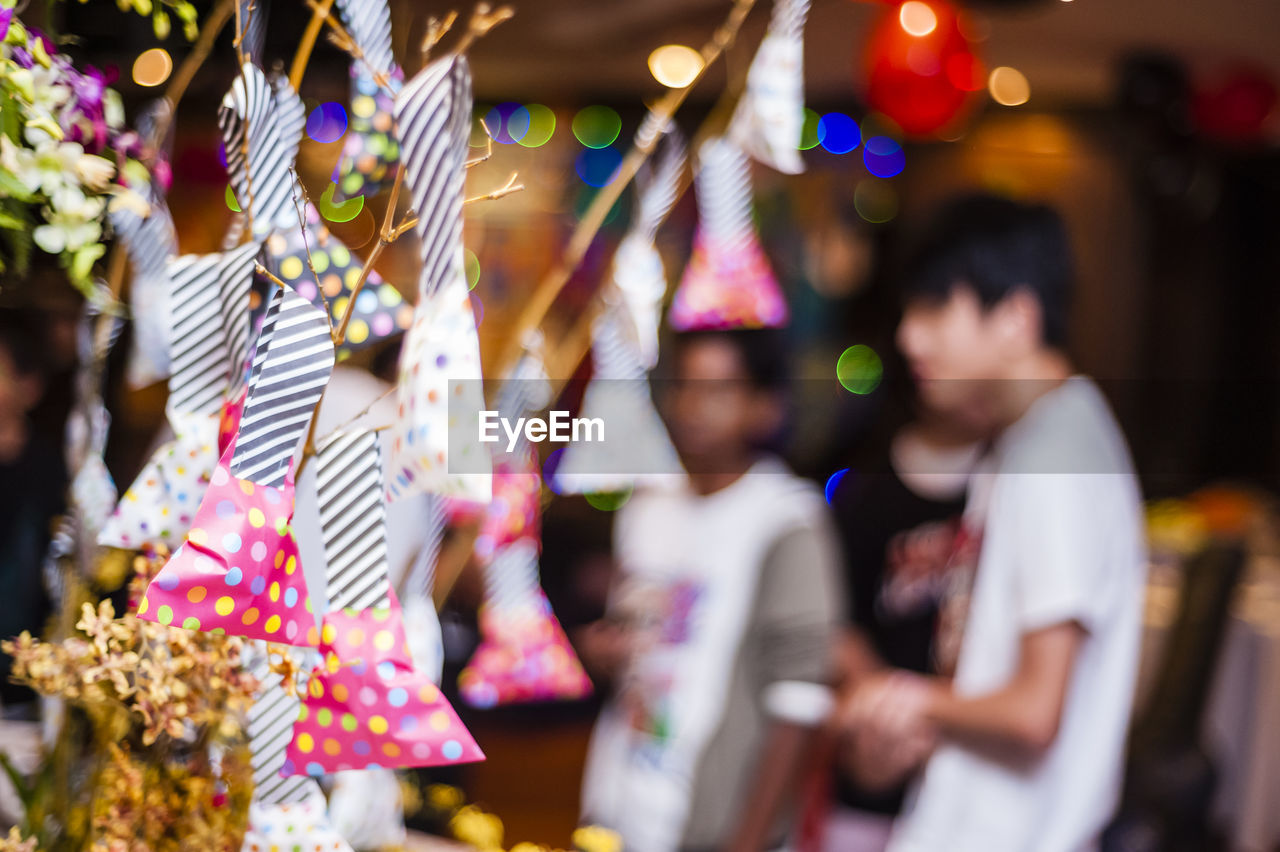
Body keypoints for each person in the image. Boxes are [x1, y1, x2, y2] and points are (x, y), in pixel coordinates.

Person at [839, 194, 1146, 851]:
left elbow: (1036, 711)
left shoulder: (1054, 455)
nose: (908, 337)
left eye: (933, 308)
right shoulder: (1041, 438)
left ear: (1015, 317)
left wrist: (900, 696)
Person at [577, 328, 843, 852]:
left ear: (764, 407)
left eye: (720, 390)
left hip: (708, 825)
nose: (695, 406)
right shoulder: (647, 501)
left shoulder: (786, 519)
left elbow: (799, 704)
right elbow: (639, 635)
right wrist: (605, 649)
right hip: (620, 807)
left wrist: (745, 842)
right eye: (686, 386)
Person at [823, 411, 983, 851]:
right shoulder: (866, 486)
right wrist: (883, 705)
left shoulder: (1009, 479)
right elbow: (835, 623)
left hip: (974, 767)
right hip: (873, 768)